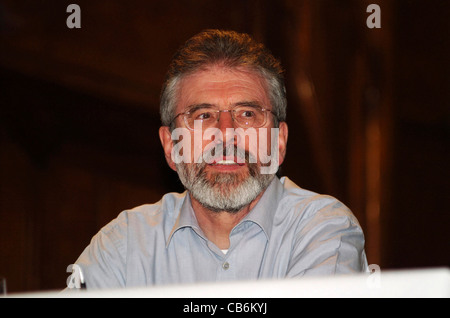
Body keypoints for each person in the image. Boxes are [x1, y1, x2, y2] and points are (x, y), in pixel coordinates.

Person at [67, 29, 368, 290]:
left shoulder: (323, 229)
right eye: (203, 116)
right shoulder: (125, 243)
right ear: (171, 146)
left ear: (279, 142)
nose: (226, 134)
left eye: (247, 114)